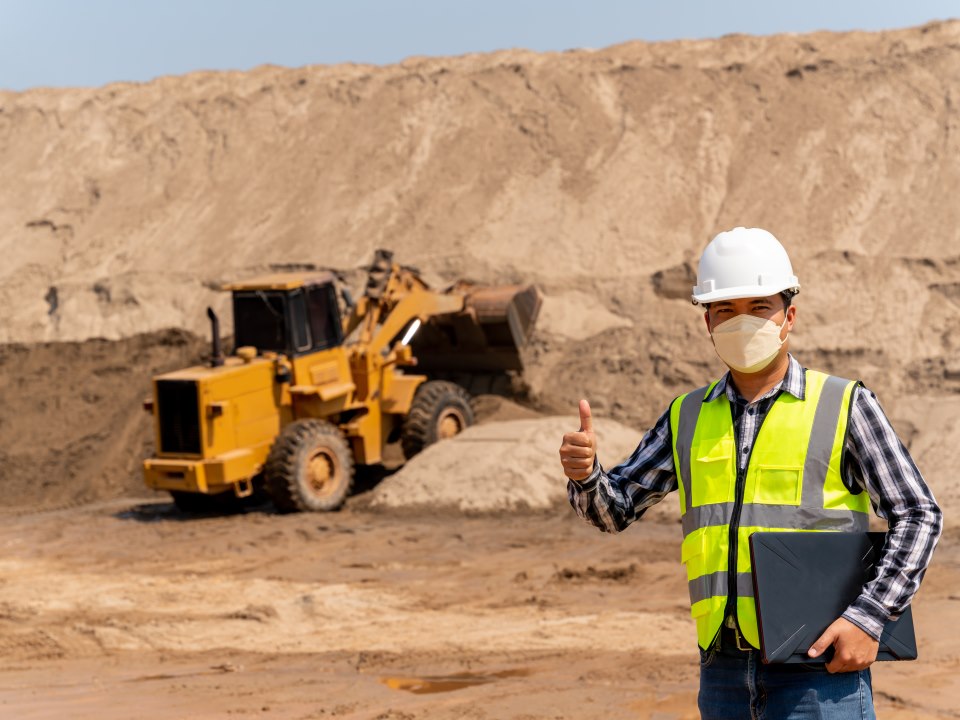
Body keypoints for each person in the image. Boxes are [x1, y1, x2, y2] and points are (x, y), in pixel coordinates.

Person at [559, 227, 942, 719]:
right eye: (726, 310)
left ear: (789, 317)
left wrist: (869, 619)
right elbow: (612, 512)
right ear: (707, 323)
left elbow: (918, 513)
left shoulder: (844, 405)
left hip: (818, 671)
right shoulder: (687, 416)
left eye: (760, 307)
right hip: (721, 672)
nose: (742, 322)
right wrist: (587, 475)